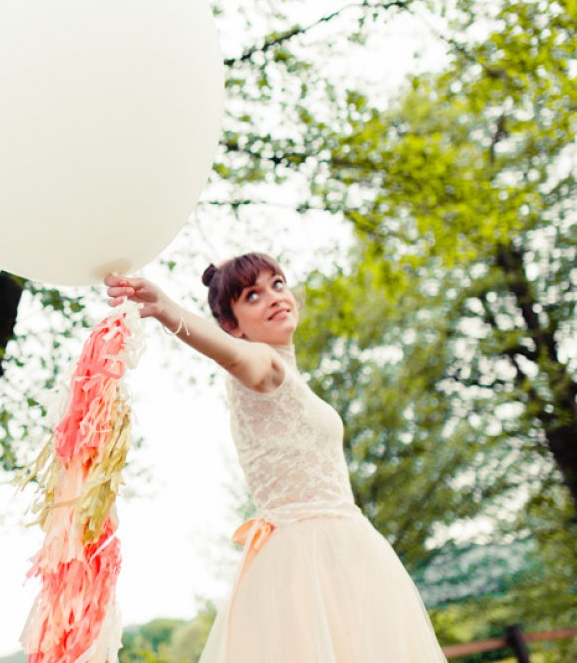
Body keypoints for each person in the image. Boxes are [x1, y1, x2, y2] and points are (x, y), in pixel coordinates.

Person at [104, 253, 447, 662]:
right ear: (232, 326)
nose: (273, 297)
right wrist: (166, 309)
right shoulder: (262, 364)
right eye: (252, 295)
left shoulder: (289, 375)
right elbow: (234, 356)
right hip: (307, 557)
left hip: (342, 553)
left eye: (277, 284)